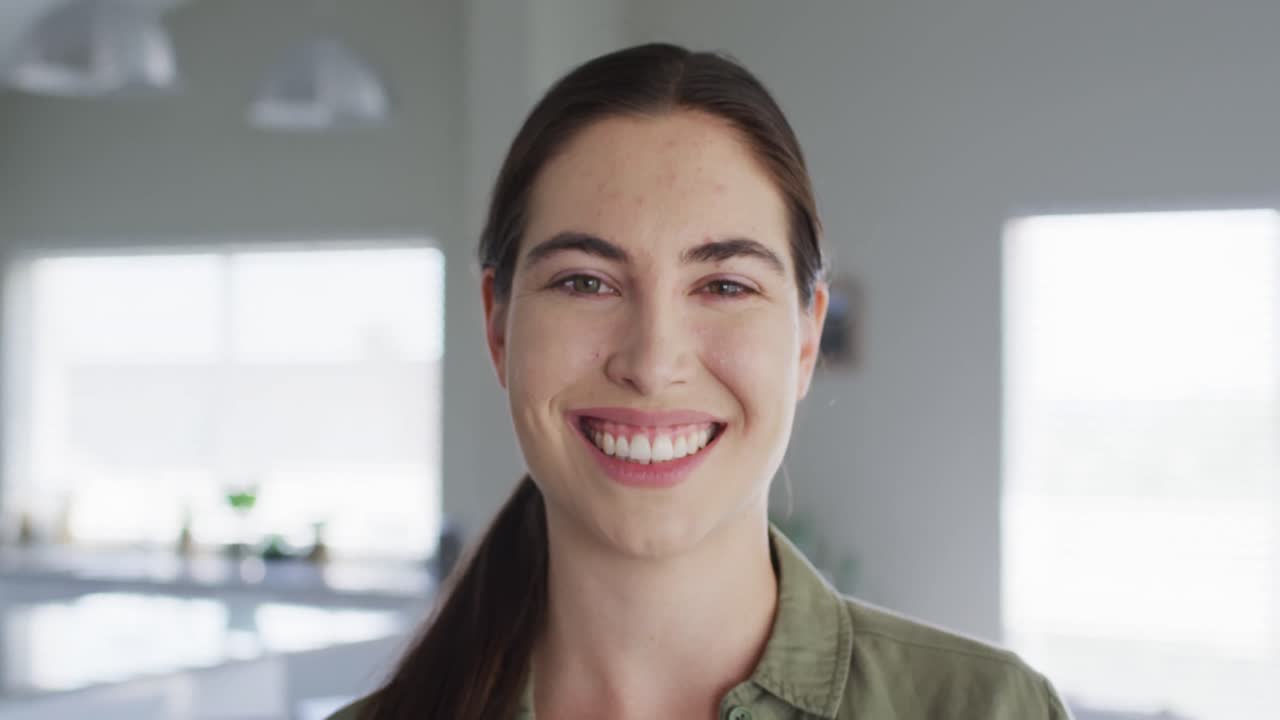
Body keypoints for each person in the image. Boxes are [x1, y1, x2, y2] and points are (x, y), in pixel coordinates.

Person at [329, 42, 1072, 720]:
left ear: (807, 335)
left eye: (723, 286)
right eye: (587, 282)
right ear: (497, 325)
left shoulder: (992, 710)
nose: (652, 364)